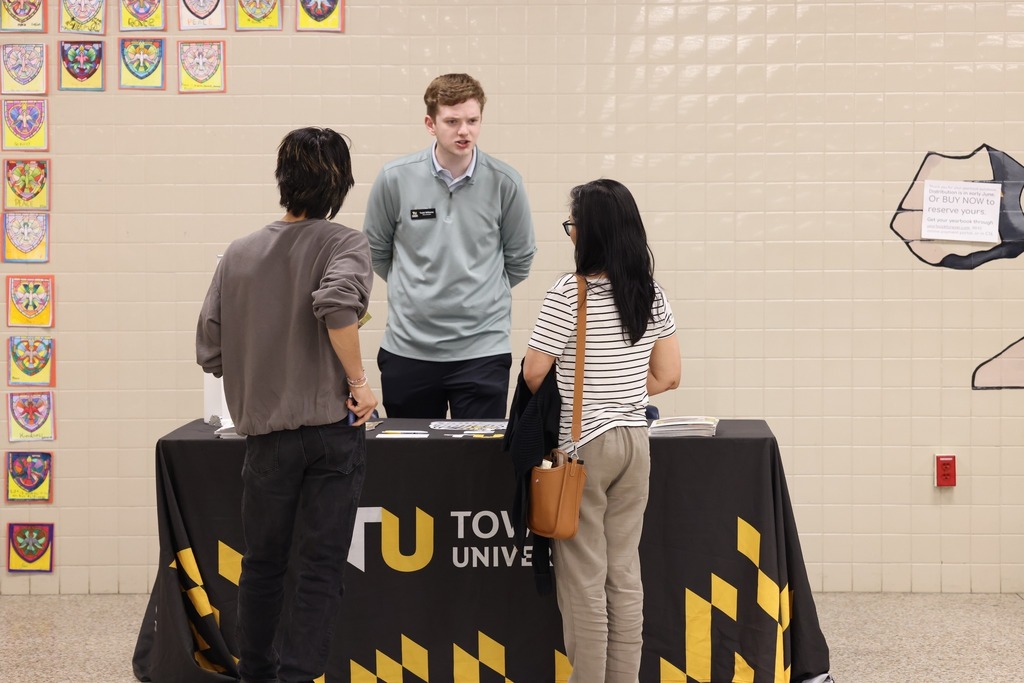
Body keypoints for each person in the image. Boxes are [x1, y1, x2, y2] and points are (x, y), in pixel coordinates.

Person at [195, 127, 377, 683]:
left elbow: (210, 349)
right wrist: (360, 381)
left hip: (266, 437)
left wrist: (265, 359)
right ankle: (300, 676)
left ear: (283, 181)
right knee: (319, 566)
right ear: (341, 184)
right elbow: (337, 306)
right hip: (330, 432)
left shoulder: (239, 253)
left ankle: (256, 674)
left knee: (263, 564)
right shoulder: (346, 244)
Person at [522, 179, 680, 683]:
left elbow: (533, 372)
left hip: (583, 447)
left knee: (583, 577)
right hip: (636, 443)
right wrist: (622, 396)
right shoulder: (651, 294)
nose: (571, 235)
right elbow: (668, 376)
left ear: (590, 234)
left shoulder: (571, 292)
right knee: (623, 571)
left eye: (573, 227)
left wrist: (590, 398)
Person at [364, 72, 536, 419]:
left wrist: (479, 294)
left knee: (475, 467)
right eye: (452, 121)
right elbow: (376, 252)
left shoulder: (506, 182)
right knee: (411, 466)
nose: (464, 131)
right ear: (431, 123)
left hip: (482, 350)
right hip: (408, 349)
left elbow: (520, 258)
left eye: (473, 121)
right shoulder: (395, 178)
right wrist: (415, 290)